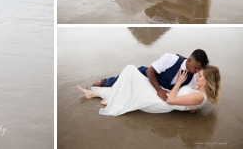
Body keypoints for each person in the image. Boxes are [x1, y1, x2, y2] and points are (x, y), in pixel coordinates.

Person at [77, 63, 221, 116]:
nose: (196, 76)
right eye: (198, 73)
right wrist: (191, 107)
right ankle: (94, 93)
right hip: (163, 94)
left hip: (160, 102)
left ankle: (114, 100)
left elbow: (171, 101)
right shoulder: (199, 90)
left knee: (131, 71)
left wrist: (179, 82)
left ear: (208, 81)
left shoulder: (200, 97)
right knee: (132, 74)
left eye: (200, 75)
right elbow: (189, 101)